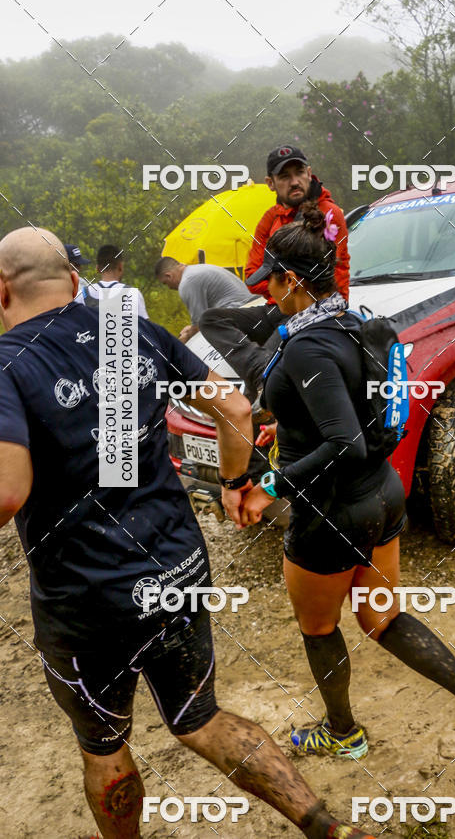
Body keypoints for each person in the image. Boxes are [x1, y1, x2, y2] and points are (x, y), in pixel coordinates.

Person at [0, 225, 383, 839]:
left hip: (86, 599)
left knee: (103, 746)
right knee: (198, 718)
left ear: (1, 290)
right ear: (75, 282)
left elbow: (7, 491)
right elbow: (232, 406)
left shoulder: (8, 364)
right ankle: (328, 829)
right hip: (176, 567)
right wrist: (235, 482)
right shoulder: (133, 333)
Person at [237, 203, 455, 769]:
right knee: (383, 617)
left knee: (318, 625)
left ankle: (343, 734)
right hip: (381, 496)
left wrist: (269, 485)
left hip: (329, 512)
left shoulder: (303, 346)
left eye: (270, 281)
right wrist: (289, 423)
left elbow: (341, 440)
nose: (265, 293)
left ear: (292, 280)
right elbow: (353, 411)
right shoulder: (358, 323)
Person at [200, 145, 350, 401]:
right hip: (276, 306)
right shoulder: (270, 218)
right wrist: (279, 279)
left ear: (309, 173)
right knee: (211, 319)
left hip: (311, 309)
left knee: (262, 389)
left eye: (299, 172)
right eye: (284, 176)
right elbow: (252, 277)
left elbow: (319, 278)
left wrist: (277, 276)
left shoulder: (328, 214)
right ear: (270, 182)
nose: (294, 181)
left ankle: (262, 380)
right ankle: (260, 369)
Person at [155, 256, 253, 344]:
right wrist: (190, 329)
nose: (169, 288)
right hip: (252, 306)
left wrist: (184, 339)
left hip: (239, 312)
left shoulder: (187, 283)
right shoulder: (198, 269)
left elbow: (198, 326)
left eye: (165, 283)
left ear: (169, 276)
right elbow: (202, 320)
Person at [75, 243, 149, 319]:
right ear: (120, 266)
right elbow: (146, 329)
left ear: (97, 269)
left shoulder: (81, 294)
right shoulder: (133, 294)